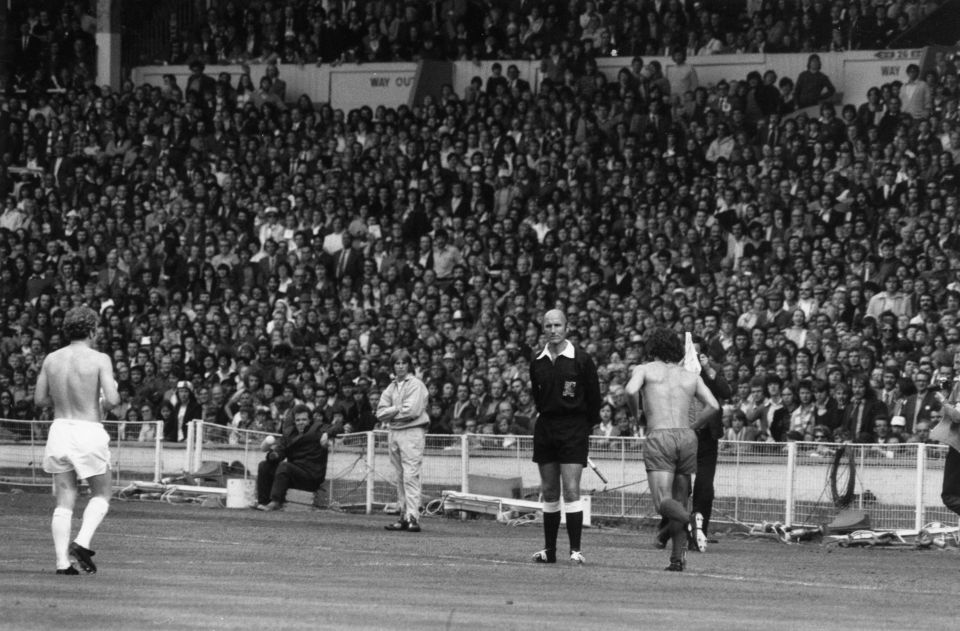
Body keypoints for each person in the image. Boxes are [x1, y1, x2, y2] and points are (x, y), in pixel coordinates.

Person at [625, 328, 720, 572]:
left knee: (662, 502)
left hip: (660, 435)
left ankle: (692, 521)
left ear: (652, 348)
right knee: (680, 499)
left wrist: (636, 415)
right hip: (687, 437)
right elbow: (713, 405)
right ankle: (677, 559)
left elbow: (630, 391)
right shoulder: (690, 375)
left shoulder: (644, 369)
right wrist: (693, 426)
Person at [35, 306, 121, 575]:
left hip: (60, 428)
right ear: (93, 330)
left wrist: (63, 401)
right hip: (88, 428)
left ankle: (62, 563)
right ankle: (82, 543)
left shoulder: (51, 359)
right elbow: (114, 400)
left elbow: (39, 400)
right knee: (102, 493)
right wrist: (101, 401)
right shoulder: (99, 358)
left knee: (64, 499)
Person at [528, 309, 600, 564]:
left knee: (571, 489)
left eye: (557, 325)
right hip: (546, 428)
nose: (553, 330)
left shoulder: (581, 359)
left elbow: (594, 399)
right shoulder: (537, 361)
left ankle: (576, 550)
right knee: (549, 491)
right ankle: (549, 550)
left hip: (574, 428)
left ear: (566, 327)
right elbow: (538, 399)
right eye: (548, 326)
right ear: (543, 329)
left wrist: (586, 428)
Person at [376, 349, 429, 533]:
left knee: (410, 475)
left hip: (412, 432)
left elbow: (412, 411)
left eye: (403, 363)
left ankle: (413, 517)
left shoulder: (416, 384)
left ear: (409, 365)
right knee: (399, 476)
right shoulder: (391, 387)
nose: (400, 366)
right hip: (395, 432)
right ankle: (404, 515)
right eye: (397, 363)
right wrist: (397, 410)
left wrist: (393, 412)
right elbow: (380, 412)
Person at [255, 404, 330, 511]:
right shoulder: (289, 433)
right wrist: (273, 455)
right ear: (294, 421)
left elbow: (338, 427)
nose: (301, 422)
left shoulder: (318, 428)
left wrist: (327, 434)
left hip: (311, 477)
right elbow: (280, 451)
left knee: (285, 467)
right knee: (264, 465)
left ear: (310, 420)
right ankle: (263, 502)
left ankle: (276, 502)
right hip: (294, 474)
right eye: (298, 420)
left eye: (304, 419)